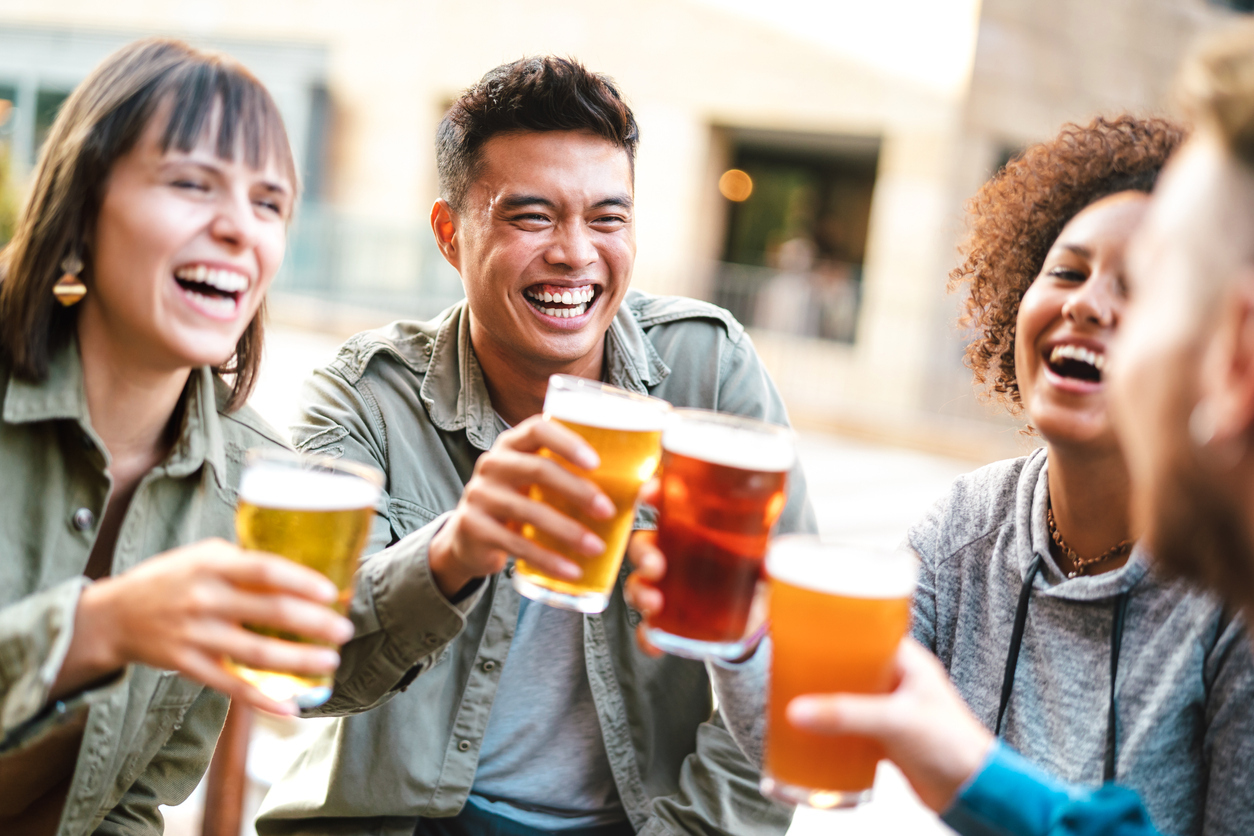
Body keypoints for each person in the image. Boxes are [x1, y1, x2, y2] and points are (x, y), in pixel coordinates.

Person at [629, 115, 1254, 835]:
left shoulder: (1229, 589)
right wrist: (740, 640)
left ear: (1221, 342)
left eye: (1140, 289)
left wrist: (974, 777)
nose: (1086, 303)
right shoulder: (968, 523)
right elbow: (830, 748)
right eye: (1067, 271)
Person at [255, 56, 815, 836]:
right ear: (450, 235)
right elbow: (314, 669)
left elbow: (793, 661)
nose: (576, 254)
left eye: (607, 218)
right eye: (532, 217)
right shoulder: (365, 394)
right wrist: (453, 553)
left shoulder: (706, 368)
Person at [0, 39, 356, 834]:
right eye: (193, 184)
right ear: (82, 206)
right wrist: (99, 628)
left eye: (269, 203)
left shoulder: (251, 483)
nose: (238, 228)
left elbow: (130, 799)